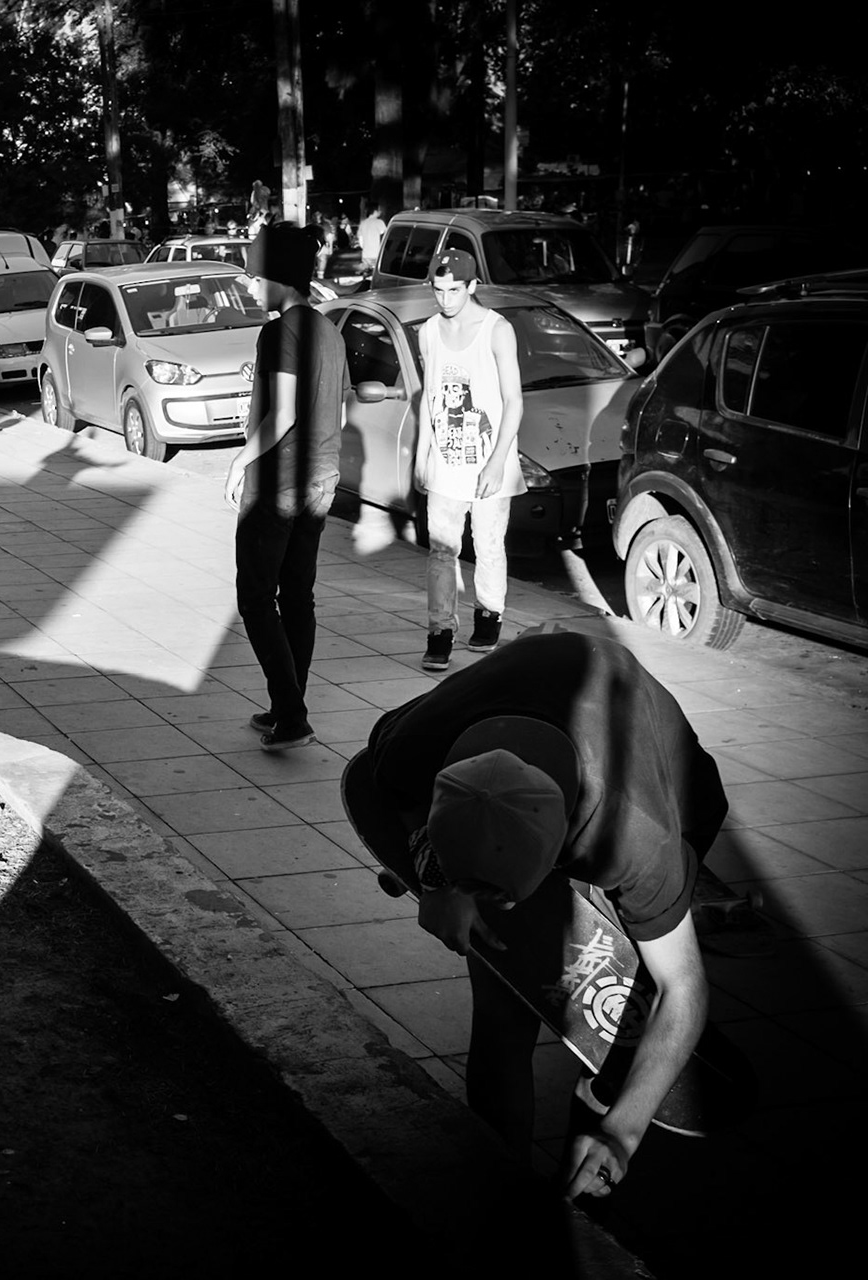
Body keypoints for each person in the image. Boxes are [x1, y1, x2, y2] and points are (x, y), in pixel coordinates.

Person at [342, 628, 728, 1201]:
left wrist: (623, 1134)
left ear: (560, 857)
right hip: (522, 690)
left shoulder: (634, 839)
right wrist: (434, 885)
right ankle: (500, 1185)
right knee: (504, 1000)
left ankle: (601, 1104)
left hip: (666, 774)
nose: (497, 903)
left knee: (630, 979)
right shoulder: (409, 744)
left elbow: (685, 985)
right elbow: (396, 799)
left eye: (504, 893)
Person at [222, 223, 350, 752]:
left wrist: (238, 461)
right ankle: (286, 705)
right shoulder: (331, 330)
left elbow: (283, 413)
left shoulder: (279, 332)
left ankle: (292, 716)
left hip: (278, 484)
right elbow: (337, 407)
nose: (251, 286)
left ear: (280, 278)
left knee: (255, 598)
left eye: (256, 276)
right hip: (321, 478)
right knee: (298, 596)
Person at [414, 248, 525, 671]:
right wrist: (423, 452)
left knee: (488, 545)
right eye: (438, 289)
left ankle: (489, 615)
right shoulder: (427, 331)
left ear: (473, 286)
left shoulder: (497, 330)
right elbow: (429, 397)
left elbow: (514, 401)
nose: (445, 299)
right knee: (441, 551)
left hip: (488, 459)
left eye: (454, 290)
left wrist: (497, 460)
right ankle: (440, 631)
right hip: (445, 460)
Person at [357, 203, 387, 273]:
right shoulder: (379, 222)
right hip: (377, 255)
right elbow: (385, 237)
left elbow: (361, 242)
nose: (380, 211)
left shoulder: (363, 223)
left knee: (366, 275)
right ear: (375, 211)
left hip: (366, 256)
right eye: (379, 210)